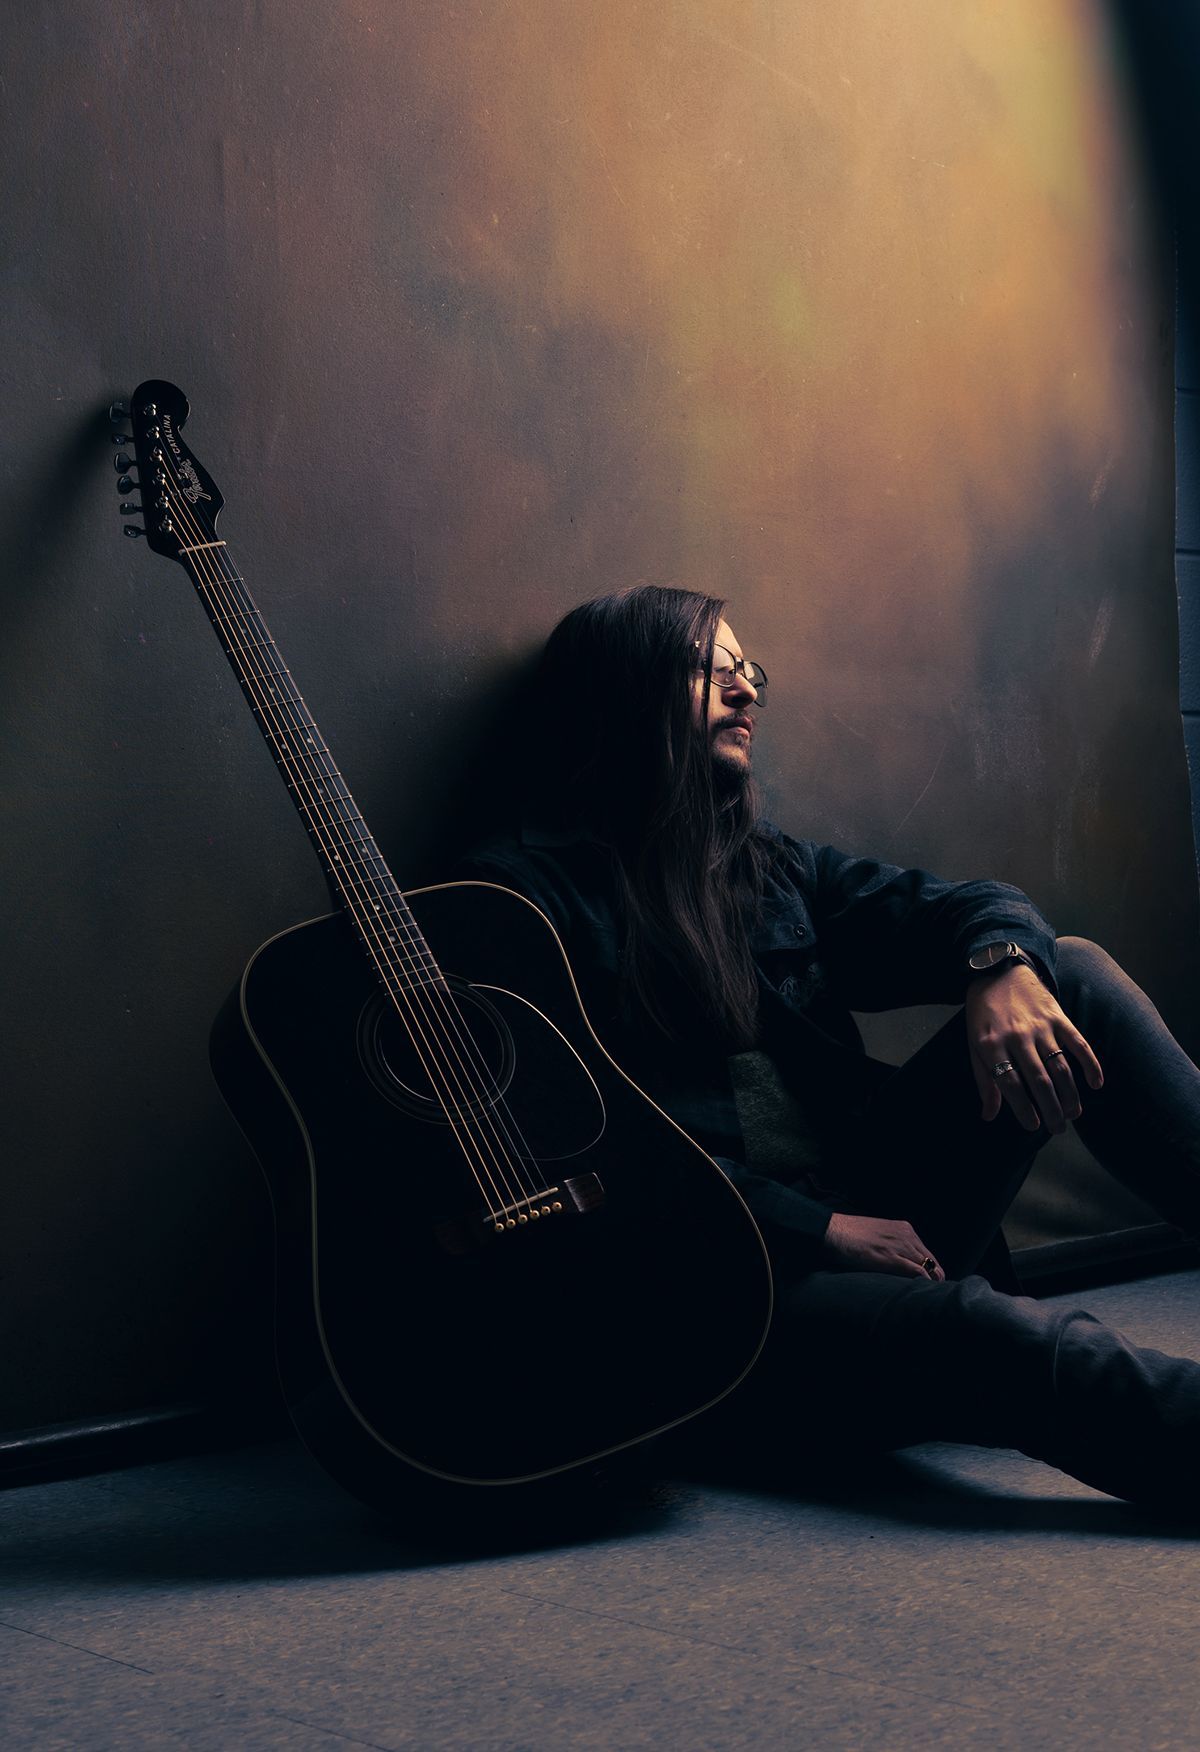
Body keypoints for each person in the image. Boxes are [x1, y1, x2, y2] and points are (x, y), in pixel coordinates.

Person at [458, 584, 1200, 1511]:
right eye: (710, 669)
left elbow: (968, 905)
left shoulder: (767, 868)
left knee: (1072, 974)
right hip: (727, 1296)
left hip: (873, 1218)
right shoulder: (516, 905)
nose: (746, 692)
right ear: (622, 695)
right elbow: (576, 1161)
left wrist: (1003, 965)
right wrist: (818, 1230)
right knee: (988, 1335)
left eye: (748, 671)